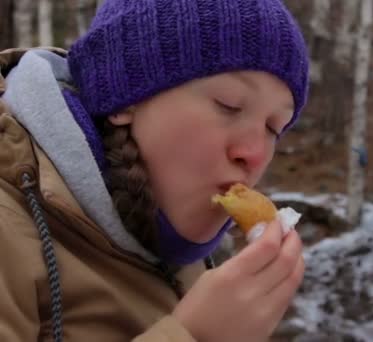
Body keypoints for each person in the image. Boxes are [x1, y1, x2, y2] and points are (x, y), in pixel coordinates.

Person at [0, 0, 309, 340]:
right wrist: (194, 335)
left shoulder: (173, 244)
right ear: (124, 99)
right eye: (229, 104)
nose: (254, 153)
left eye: (274, 127)